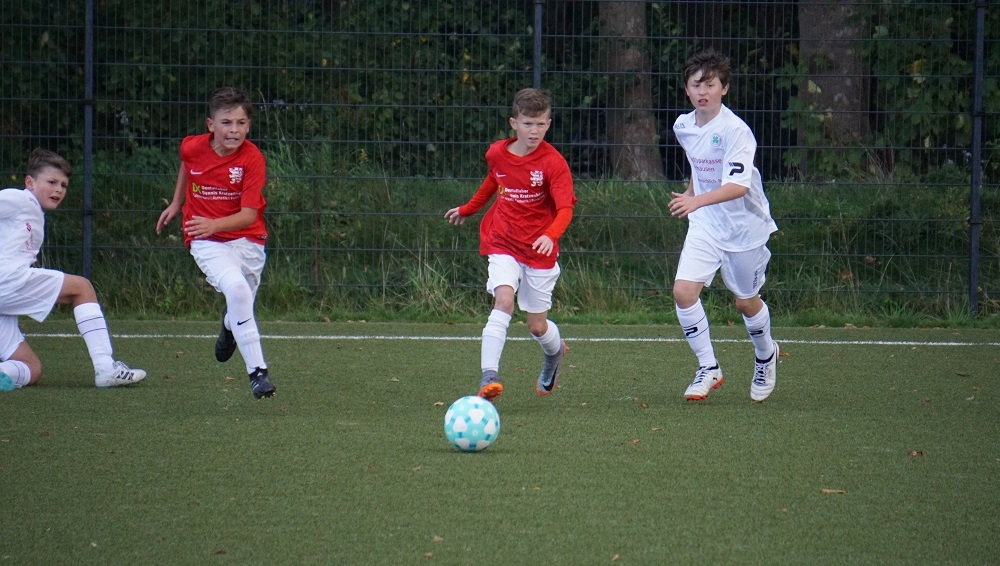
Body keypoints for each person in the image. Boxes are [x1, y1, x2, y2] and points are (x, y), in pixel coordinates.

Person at [445, 88, 577, 401]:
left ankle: (555, 353)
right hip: (502, 239)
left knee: (536, 325)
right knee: (503, 300)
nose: (535, 131)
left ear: (548, 124)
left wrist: (550, 235)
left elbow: (565, 209)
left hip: (539, 250)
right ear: (513, 123)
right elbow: (494, 180)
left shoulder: (553, 163)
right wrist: (468, 209)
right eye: (528, 123)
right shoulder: (497, 153)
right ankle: (489, 376)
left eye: (541, 124)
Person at [669, 50, 780, 402]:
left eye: (710, 85)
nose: (703, 92)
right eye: (695, 85)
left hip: (743, 229)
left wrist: (695, 201)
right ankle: (709, 367)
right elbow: (698, 161)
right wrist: (692, 192)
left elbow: (737, 187)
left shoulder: (736, 131)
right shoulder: (683, 125)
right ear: (687, 89)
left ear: (725, 88)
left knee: (745, 303)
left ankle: (766, 354)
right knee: (683, 293)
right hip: (705, 224)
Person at [155, 87, 275, 399]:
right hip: (205, 238)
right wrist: (177, 203)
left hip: (248, 239)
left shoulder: (253, 159)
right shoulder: (192, 146)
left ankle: (229, 325)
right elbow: (187, 163)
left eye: (240, 123)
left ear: (248, 126)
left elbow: (248, 215)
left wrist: (214, 223)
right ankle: (258, 373)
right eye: (226, 122)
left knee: (241, 300)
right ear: (211, 125)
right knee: (237, 290)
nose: (233, 130)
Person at [0, 148, 147, 390]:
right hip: (7, 281)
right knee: (81, 288)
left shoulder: (32, 211)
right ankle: (106, 368)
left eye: (64, 185)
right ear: (29, 182)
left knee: (31, 369)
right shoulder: (20, 199)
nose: (58, 189)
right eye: (51, 182)